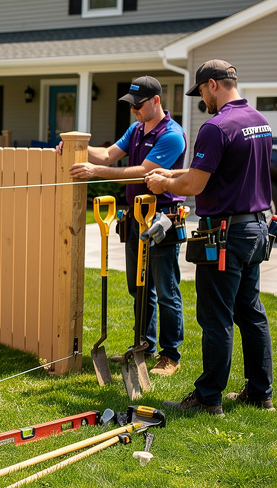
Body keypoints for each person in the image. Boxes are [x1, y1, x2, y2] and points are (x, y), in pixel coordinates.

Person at [145, 59, 275, 416]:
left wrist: (164, 182)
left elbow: (195, 184)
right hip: (255, 229)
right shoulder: (258, 122)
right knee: (250, 312)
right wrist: (175, 170)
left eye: (201, 90)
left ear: (214, 84)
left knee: (216, 316)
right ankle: (260, 392)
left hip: (226, 234)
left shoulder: (216, 127)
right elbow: (219, 169)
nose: (202, 98)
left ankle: (208, 397)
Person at [58, 76, 187, 376]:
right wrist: (75, 146)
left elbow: (141, 174)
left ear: (156, 101)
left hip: (162, 216)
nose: (134, 112)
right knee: (139, 288)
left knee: (165, 288)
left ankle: (171, 356)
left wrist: (95, 172)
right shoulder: (137, 129)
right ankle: (144, 347)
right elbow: (107, 154)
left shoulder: (172, 135)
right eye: (131, 107)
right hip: (135, 215)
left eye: (138, 106)